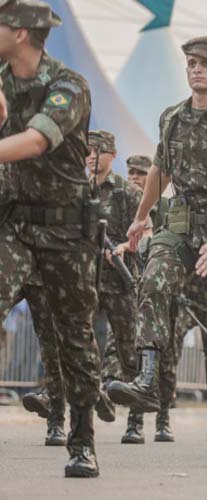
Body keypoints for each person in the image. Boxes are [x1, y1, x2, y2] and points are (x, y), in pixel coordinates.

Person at [106, 36, 207, 468]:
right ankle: (146, 377)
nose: (196, 69)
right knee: (153, 279)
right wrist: (141, 218)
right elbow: (161, 169)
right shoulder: (172, 117)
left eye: (205, 63)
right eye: (191, 63)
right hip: (179, 224)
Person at [0, 0, 102, 477]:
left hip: (65, 231)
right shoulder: (1, 79)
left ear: (20, 33)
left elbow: (36, 141)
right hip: (16, 226)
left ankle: (82, 440)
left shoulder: (68, 86)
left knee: (74, 340)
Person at [85, 130, 146, 444]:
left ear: (112, 155)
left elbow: (145, 226)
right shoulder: (78, 189)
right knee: (82, 346)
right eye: (88, 151)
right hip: (85, 281)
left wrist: (124, 246)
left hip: (121, 281)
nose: (92, 156)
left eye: (98, 151)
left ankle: (135, 421)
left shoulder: (126, 191)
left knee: (128, 351)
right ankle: (91, 402)